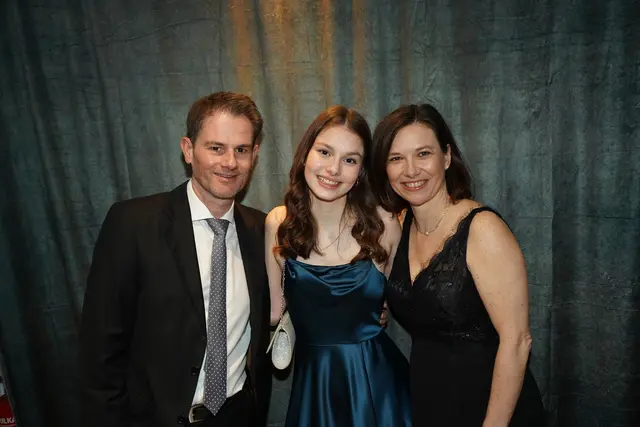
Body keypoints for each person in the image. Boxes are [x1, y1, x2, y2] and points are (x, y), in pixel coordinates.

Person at [79, 92, 271, 427]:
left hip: (238, 416)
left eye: (241, 150)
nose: (230, 162)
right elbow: (100, 350)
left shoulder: (263, 231)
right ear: (188, 149)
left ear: (254, 155)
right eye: (216, 148)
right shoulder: (133, 224)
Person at [370, 103, 546, 426]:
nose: (411, 170)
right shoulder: (398, 226)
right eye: (396, 158)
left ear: (447, 157)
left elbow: (517, 341)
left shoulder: (482, 228)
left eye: (423, 154)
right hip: (430, 402)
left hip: (492, 407)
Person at [265, 106, 412, 427]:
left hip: (379, 387)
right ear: (305, 154)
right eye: (325, 152)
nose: (333, 169)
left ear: (361, 171)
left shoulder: (385, 224)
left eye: (350, 160)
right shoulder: (278, 223)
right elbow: (275, 311)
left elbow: (396, 301)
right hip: (314, 388)